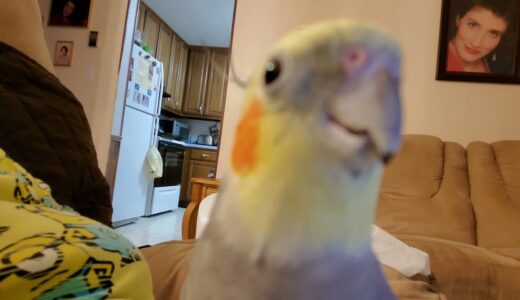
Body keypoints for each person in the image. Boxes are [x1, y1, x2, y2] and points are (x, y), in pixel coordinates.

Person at [446, 0, 516, 73]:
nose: (476, 43)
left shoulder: (499, 67)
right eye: (472, 25)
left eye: (493, 33)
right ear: (458, 20)